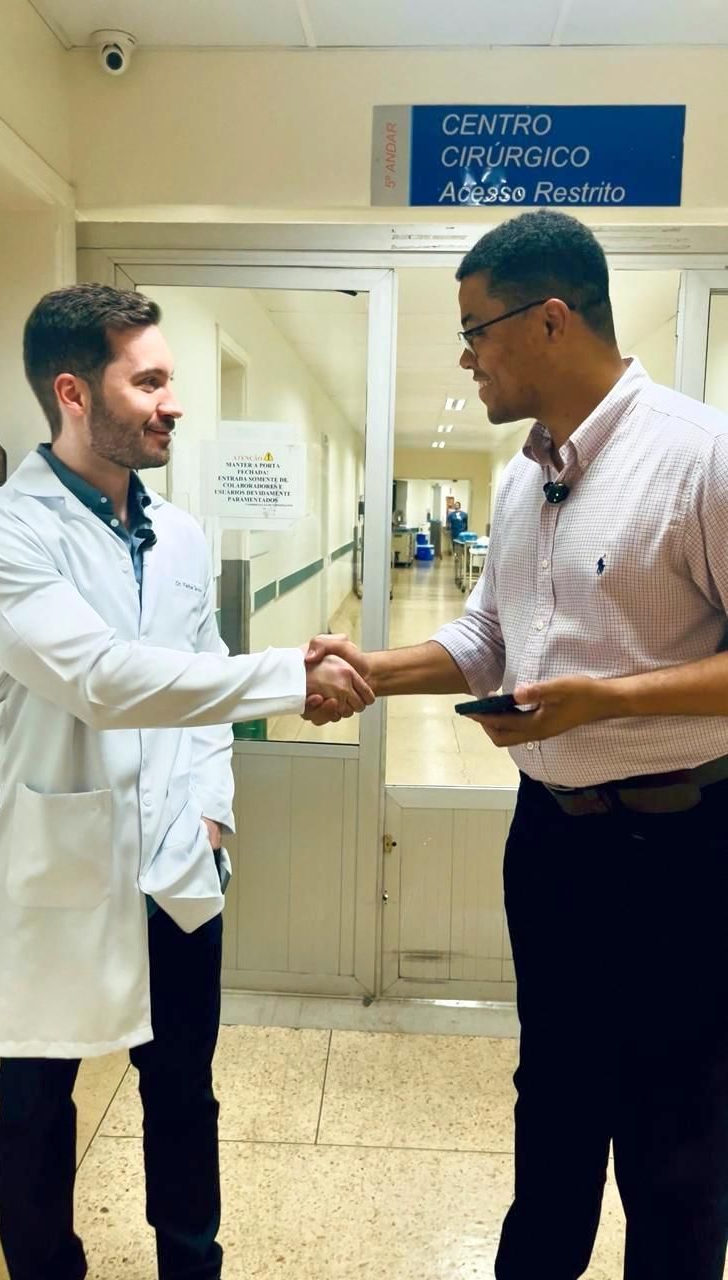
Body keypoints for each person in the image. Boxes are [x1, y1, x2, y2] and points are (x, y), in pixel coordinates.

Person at [304, 211, 728, 1279]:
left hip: (683, 852)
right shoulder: (519, 476)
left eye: (473, 330)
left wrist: (603, 704)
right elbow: (487, 639)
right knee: (552, 1099)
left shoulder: (699, 457)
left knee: (673, 1136)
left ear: (548, 320)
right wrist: (368, 668)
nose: (464, 357)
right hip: (550, 841)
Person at [0, 284, 374, 1280]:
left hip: (176, 863)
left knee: (182, 1091)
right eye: (150, 381)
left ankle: (190, 1261)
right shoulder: (12, 531)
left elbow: (200, 675)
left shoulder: (182, 532)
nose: (174, 403)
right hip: (59, 866)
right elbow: (104, 681)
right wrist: (290, 675)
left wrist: (211, 811)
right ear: (74, 392)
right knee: (32, 1104)